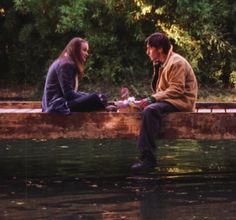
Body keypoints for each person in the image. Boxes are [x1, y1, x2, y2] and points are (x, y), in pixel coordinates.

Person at [131, 32, 198, 170]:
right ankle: (144, 155)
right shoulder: (162, 63)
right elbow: (162, 91)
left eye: (150, 48)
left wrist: (152, 99)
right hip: (172, 100)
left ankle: (148, 157)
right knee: (146, 108)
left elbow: (177, 90)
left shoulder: (176, 62)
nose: (147, 52)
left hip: (182, 102)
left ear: (160, 48)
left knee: (150, 110)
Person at [42, 37, 108, 114]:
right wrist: (93, 97)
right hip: (56, 106)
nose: (87, 54)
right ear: (75, 50)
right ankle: (104, 106)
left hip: (58, 104)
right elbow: (69, 94)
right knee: (95, 97)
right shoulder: (65, 64)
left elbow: (72, 92)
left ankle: (103, 105)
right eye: (84, 50)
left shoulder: (66, 62)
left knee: (98, 97)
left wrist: (90, 96)